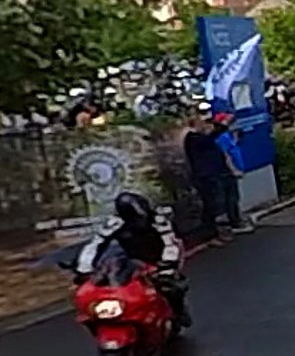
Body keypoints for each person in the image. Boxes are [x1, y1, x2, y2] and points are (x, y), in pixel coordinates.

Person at [72, 191, 190, 328]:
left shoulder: (159, 220)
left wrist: (167, 265)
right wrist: (84, 268)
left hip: (161, 256)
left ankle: (179, 311)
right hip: (131, 258)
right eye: (133, 218)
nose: (138, 221)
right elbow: (96, 244)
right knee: (102, 285)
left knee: (169, 286)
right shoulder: (115, 223)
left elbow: (171, 242)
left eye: (140, 216)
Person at [182, 113, 234, 244]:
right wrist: (223, 126)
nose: (205, 126)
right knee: (214, 204)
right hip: (205, 176)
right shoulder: (192, 138)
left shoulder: (199, 138)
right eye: (202, 123)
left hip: (212, 174)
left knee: (213, 204)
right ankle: (214, 234)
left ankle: (212, 232)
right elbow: (209, 138)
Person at [211, 110, 253, 236]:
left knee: (233, 196)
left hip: (230, 171)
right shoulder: (221, 138)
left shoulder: (227, 136)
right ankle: (235, 222)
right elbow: (226, 155)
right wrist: (234, 169)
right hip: (227, 172)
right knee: (231, 197)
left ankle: (236, 219)